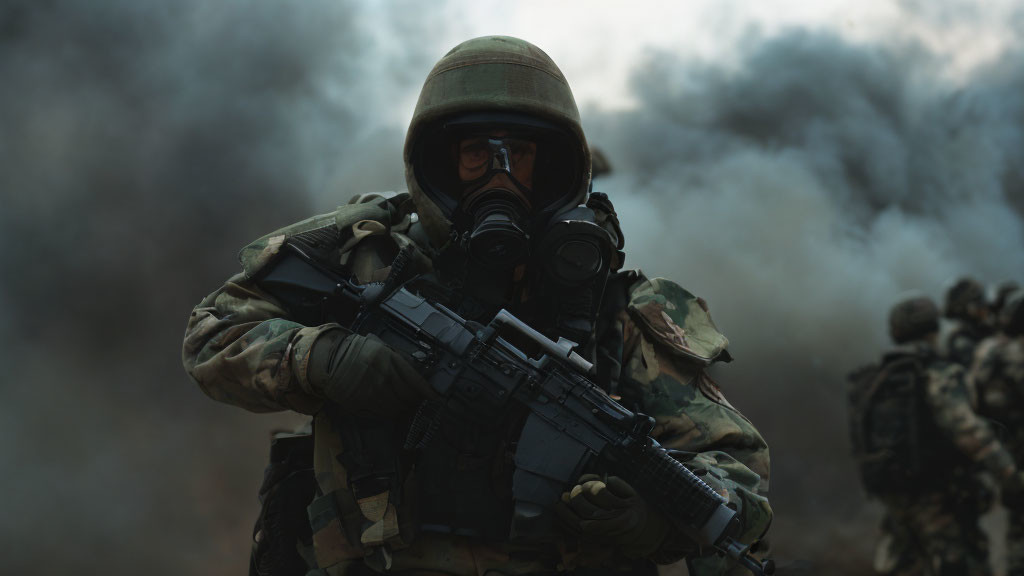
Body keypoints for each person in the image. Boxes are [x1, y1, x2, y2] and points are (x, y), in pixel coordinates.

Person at [182, 36, 771, 576]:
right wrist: (323, 359)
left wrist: (650, 516)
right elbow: (213, 331)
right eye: (476, 156)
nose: (500, 177)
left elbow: (735, 475)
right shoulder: (363, 259)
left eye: (520, 153)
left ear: (556, 167)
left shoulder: (619, 308)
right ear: (438, 162)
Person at [847, 296, 1024, 576]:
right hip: (939, 495)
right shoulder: (938, 374)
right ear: (933, 328)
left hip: (893, 496)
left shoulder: (875, 380)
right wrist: (1009, 476)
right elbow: (968, 431)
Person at [970, 289, 1024, 576]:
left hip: (1004, 453)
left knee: (1017, 527)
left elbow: (974, 402)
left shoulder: (986, 350)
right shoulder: (1015, 354)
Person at [943, 277, 994, 367]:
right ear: (970, 309)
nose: (985, 306)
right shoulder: (961, 341)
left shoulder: (982, 329)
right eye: (980, 301)